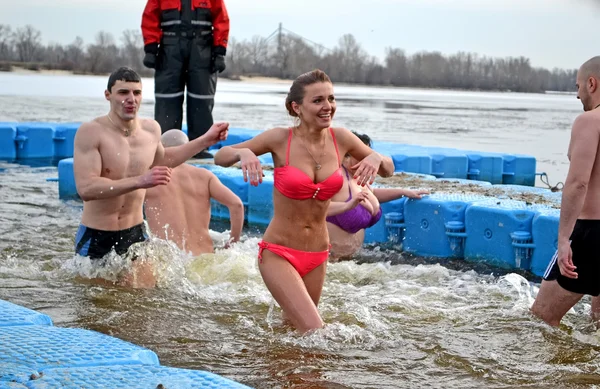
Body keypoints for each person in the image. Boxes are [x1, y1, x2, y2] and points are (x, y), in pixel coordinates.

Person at [214, 69, 395, 333]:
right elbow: (221, 156)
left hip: (318, 254)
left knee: (294, 332)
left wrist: (377, 158)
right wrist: (242, 152)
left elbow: (388, 169)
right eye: (318, 100)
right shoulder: (280, 138)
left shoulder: (341, 138)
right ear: (296, 107)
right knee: (314, 330)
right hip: (279, 253)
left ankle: (272, 370)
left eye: (331, 99)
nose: (328, 107)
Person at [73, 67, 229, 288]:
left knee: (142, 302)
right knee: (99, 308)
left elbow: (164, 159)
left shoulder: (151, 130)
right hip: (97, 236)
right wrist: (140, 181)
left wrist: (206, 140)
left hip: (135, 234)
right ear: (108, 95)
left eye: (136, 93)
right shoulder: (91, 132)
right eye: (123, 92)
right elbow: (86, 189)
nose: (131, 99)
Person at [531, 56, 600, 327]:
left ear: (592, 83)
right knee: (597, 322)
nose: (577, 94)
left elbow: (577, 184)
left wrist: (563, 241)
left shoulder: (589, 121)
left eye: (579, 86)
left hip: (592, 232)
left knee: (541, 319)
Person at [141, 0, 230, 159]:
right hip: (170, 48)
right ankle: (165, 147)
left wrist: (220, 51)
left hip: (202, 48)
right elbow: (150, 17)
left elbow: (221, 19)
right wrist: (151, 47)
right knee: (167, 100)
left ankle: (199, 148)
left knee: (201, 100)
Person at [326, 132, 429, 260]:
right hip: (331, 262)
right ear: (346, 155)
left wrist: (403, 192)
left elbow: (373, 193)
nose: (367, 161)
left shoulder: (360, 177)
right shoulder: (336, 176)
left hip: (354, 261)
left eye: (368, 156)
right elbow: (313, 206)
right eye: (362, 155)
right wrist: (347, 206)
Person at [144, 129, 244, 255]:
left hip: (173, 261)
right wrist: (233, 243)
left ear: (161, 150)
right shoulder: (205, 176)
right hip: (206, 258)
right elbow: (237, 205)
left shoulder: (150, 179)